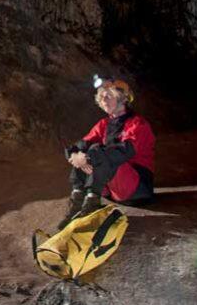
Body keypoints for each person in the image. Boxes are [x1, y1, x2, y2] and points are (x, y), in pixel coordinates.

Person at [57, 78, 156, 230]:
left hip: (136, 189)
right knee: (86, 150)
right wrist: (74, 154)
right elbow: (82, 143)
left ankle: (92, 203)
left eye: (108, 96)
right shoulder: (104, 124)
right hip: (111, 190)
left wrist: (87, 157)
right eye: (101, 96)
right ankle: (77, 203)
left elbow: (123, 152)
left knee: (96, 151)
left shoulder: (138, 124)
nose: (103, 99)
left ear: (122, 99)